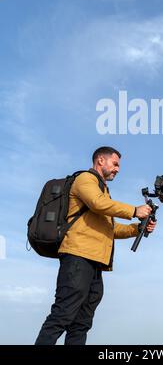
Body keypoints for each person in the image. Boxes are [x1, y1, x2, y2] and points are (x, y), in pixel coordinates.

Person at [35, 146, 156, 345]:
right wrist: (135, 210)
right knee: (62, 315)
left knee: (82, 323)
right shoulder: (85, 180)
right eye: (115, 164)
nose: (118, 169)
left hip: (95, 263)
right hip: (77, 257)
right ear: (101, 160)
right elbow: (97, 203)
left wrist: (138, 228)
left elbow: (111, 229)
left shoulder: (103, 190)